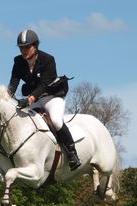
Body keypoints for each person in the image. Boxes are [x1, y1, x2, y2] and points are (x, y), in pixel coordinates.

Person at [7, 29, 81, 171]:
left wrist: (28, 100)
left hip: (52, 97)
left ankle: (73, 154)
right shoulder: (18, 61)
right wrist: (6, 97)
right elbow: (14, 82)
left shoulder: (48, 60)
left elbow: (44, 85)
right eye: (21, 47)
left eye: (27, 47)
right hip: (34, 98)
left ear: (35, 46)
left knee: (56, 121)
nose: (23, 50)